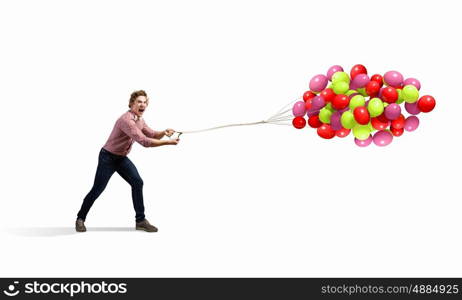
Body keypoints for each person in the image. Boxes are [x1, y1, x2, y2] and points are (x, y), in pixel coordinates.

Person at [76, 90, 179, 233]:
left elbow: (152, 134)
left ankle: (140, 221)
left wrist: (164, 132)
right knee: (97, 189)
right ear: (131, 104)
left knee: (137, 182)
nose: (142, 105)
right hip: (108, 157)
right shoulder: (126, 120)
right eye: (139, 102)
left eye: (144, 102)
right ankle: (80, 218)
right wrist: (168, 143)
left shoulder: (139, 119)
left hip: (121, 158)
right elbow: (144, 141)